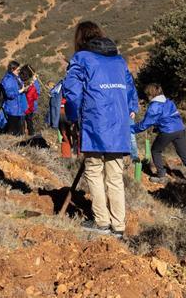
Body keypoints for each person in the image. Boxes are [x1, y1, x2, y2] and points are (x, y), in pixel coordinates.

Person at [63, 21, 138, 238]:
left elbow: (72, 91)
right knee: (115, 176)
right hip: (118, 126)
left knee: (94, 170)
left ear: (80, 38)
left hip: (95, 123)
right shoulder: (119, 61)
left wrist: (72, 116)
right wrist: (131, 109)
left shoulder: (81, 59)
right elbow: (131, 89)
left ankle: (102, 222)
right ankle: (118, 226)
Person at [132, 83, 186, 184]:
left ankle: (161, 176)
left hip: (168, 131)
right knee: (184, 155)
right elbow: (169, 117)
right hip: (180, 129)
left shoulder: (154, 106)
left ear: (151, 94)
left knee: (155, 150)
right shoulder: (169, 101)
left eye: (147, 95)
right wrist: (158, 126)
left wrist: (131, 129)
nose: (147, 97)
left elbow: (144, 125)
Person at [1, 61, 27, 135]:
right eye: (17, 70)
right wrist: (20, 91)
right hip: (12, 108)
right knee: (14, 131)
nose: (19, 72)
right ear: (12, 69)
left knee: (19, 131)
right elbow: (9, 94)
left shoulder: (16, 77)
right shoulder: (8, 79)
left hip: (18, 107)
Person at [20, 65, 39, 136]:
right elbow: (36, 95)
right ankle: (30, 134)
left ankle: (25, 134)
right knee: (29, 121)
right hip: (30, 106)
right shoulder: (32, 84)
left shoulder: (22, 81)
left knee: (25, 122)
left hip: (26, 106)